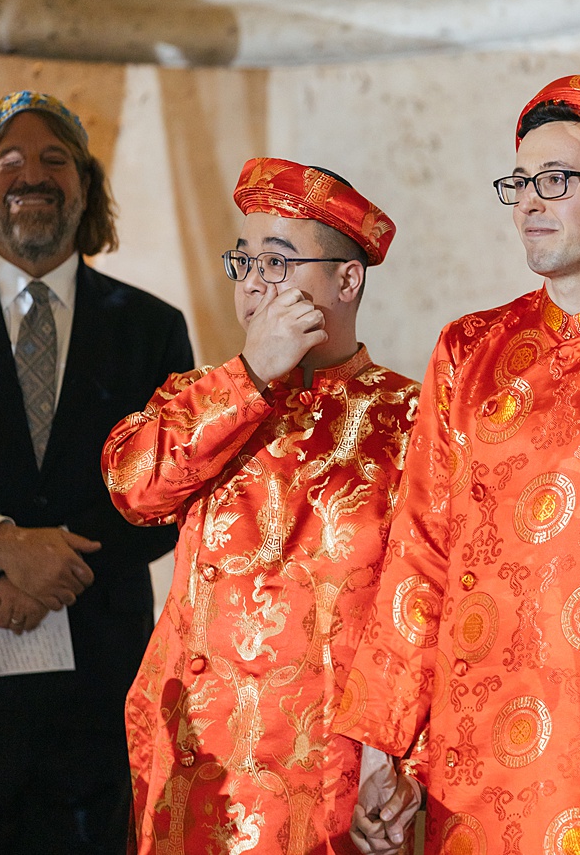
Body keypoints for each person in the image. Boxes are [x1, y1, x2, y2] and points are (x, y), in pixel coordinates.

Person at [335, 74, 580, 855]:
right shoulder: (469, 350)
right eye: (519, 183)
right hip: (464, 755)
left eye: (555, 181)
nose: (528, 203)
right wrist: (381, 747)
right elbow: (420, 551)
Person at [102, 157, 420, 855]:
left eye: (277, 262)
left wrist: (397, 763)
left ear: (347, 277)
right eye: (242, 260)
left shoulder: (413, 418)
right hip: (197, 771)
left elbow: (427, 612)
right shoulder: (204, 396)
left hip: (335, 781)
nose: (253, 283)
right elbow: (130, 483)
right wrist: (248, 377)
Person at [0, 90, 194, 855]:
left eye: (54, 159)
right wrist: (1, 546)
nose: (31, 175)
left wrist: (54, 563)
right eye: (8, 160)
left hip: (102, 687)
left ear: (87, 185)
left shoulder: (152, 329)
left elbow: (176, 492)